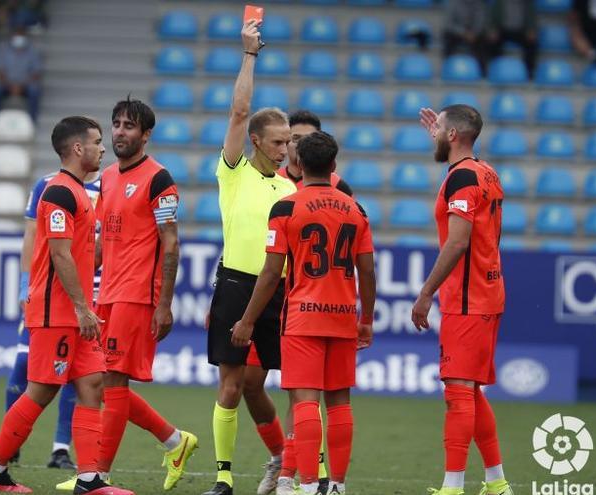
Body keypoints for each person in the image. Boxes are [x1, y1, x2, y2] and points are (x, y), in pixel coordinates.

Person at [0, 116, 132, 495]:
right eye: (96, 141)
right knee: (42, 390)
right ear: (78, 148)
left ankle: (90, 480)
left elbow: (79, 254)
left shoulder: (77, 193)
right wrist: (81, 307)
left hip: (74, 313)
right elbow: (60, 256)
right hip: (55, 313)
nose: (102, 148)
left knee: (92, 384)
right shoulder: (60, 192)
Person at [55, 97, 198, 492]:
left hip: (138, 294)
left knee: (111, 381)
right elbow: (102, 242)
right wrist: (83, 286)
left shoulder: (159, 180)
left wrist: (164, 304)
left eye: (129, 126)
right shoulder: (108, 178)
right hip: (110, 293)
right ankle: (174, 440)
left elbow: (171, 243)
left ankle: (97, 474)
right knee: (101, 380)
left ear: (146, 135)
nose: (119, 131)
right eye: (116, 124)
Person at [232, 131, 376, 495]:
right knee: (340, 402)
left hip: (302, 316)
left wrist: (248, 319)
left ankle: (308, 484)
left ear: (299, 164)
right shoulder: (356, 209)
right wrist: (367, 320)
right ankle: (338, 485)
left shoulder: (286, 208)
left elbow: (270, 273)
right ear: (334, 166)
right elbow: (368, 270)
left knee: (306, 400)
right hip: (342, 315)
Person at [203, 19, 297, 495]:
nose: (286, 150)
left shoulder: (290, 188)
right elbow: (239, 112)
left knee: (286, 385)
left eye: (289, 142)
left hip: (280, 291)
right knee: (233, 385)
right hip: (237, 284)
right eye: (279, 142)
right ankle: (223, 476)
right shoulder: (234, 171)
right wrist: (249, 55)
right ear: (257, 140)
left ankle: (292, 465)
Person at [412, 105, 513, 495]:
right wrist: (444, 138)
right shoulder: (483, 171)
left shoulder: (462, 178)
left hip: (468, 297)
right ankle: (497, 482)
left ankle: (453, 487)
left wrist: (425, 294)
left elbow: (458, 241)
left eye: (438, 129)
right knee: (470, 389)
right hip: (487, 291)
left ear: (452, 136)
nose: (433, 132)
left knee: (457, 391)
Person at [3, 168, 102, 469]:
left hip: (91, 290)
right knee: (25, 364)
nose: (101, 148)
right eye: (95, 142)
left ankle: (61, 450)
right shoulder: (48, 185)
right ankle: (10, 446)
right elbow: (32, 235)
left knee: (83, 376)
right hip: (48, 295)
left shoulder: (108, 185)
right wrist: (24, 283)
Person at [0, 25, 43, 122]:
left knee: (34, 91)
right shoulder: (3, 49)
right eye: (17, 35)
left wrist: (21, 86)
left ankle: (32, 121)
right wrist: (10, 85)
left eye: (21, 35)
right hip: (6, 84)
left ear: (25, 36)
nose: (19, 38)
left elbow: (36, 73)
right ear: (12, 36)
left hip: (25, 85)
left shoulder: (32, 51)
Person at [487, 0, 538, 77]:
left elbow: (532, 18)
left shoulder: (527, 3)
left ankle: (529, 72)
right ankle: (496, 69)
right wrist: (493, 29)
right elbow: (492, 18)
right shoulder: (499, 2)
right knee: (492, 42)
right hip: (503, 30)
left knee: (532, 43)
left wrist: (531, 29)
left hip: (521, 30)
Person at [442, 0, 490, 75]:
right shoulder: (453, 3)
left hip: (474, 34)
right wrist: (463, 33)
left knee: (483, 42)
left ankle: (483, 72)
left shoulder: (480, 3)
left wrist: (474, 33)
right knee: (447, 37)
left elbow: (481, 21)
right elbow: (449, 24)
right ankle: (447, 68)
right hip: (457, 33)